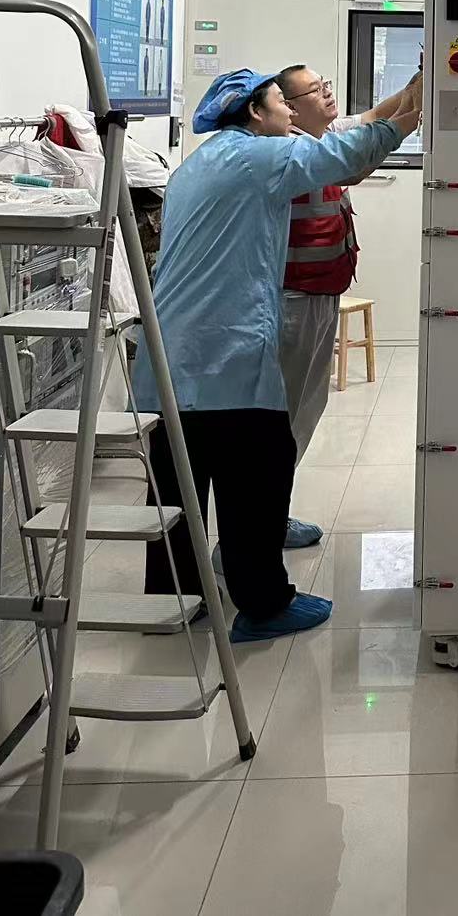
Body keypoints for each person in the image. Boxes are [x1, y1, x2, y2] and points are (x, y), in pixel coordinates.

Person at [131, 68, 420, 643]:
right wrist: (413, 118)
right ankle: (263, 604)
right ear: (256, 113)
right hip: (223, 351)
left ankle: (172, 600)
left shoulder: (205, 161)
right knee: (258, 468)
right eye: (281, 103)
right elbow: (347, 151)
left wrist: (412, 95)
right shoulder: (256, 158)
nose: (290, 111)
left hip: (172, 353)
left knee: (179, 480)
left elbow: (346, 136)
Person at [274, 63, 423, 548]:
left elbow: (374, 117)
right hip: (293, 301)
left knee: (304, 410)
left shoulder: (322, 135)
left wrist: (420, 83)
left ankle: (271, 517)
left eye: (326, 85)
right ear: (288, 108)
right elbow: (358, 162)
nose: (327, 93)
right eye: (315, 90)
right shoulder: (291, 151)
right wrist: (409, 116)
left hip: (318, 296)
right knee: (286, 417)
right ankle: (260, 527)